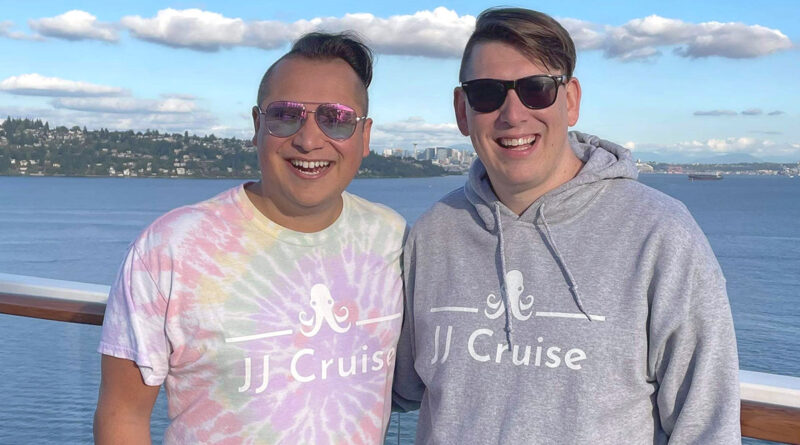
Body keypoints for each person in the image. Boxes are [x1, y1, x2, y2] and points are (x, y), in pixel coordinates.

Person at [393, 7, 741, 444]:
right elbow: (394, 383)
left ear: (570, 100)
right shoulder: (433, 233)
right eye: (487, 94)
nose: (513, 114)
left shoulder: (660, 233)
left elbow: (706, 425)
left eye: (536, 90)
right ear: (463, 111)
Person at [94, 32, 406, 444]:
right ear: (257, 126)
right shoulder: (169, 249)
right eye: (286, 115)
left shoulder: (392, 238)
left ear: (364, 136)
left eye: (336, 118)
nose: (309, 139)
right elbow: (123, 416)